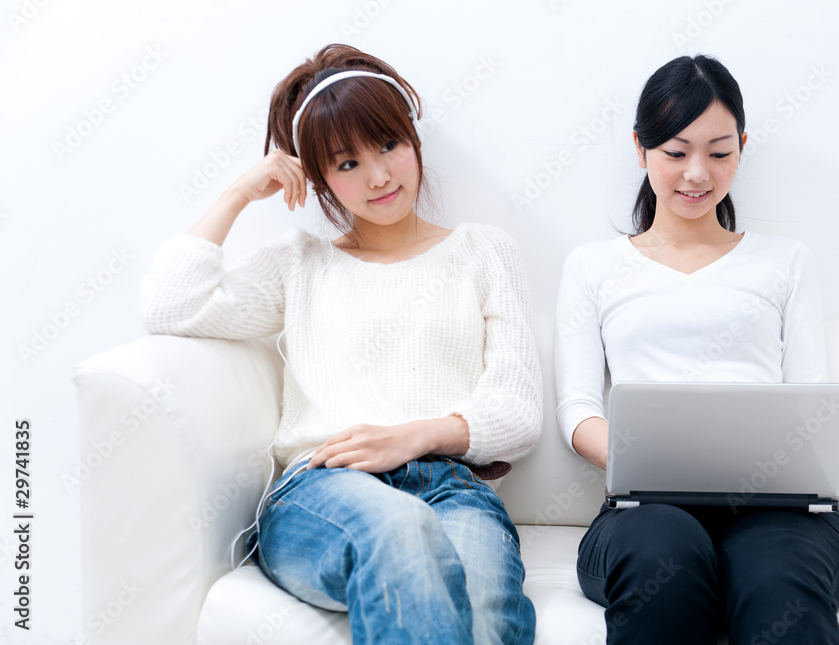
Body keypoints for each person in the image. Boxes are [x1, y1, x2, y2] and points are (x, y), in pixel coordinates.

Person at [138, 44, 541, 645]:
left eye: (387, 145)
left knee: (484, 612)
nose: (379, 176)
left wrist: (412, 435)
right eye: (347, 164)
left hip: (453, 488)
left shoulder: (486, 252)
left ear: (413, 139)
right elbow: (169, 306)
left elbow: (517, 414)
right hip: (323, 486)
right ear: (320, 178)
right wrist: (238, 195)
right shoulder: (298, 265)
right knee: (400, 530)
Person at [554, 55, 839, 645]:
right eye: (676, 152)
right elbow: (577, 410)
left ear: (742, 147)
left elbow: (810, 400)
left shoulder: (786, 261)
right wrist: (647, 460)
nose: (697, 173)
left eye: (719, 153)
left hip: (778, 511)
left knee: (776, 575)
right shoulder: (593, 267)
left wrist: (814, 459)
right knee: (662, 561)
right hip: (644, 510)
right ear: (640, 149)